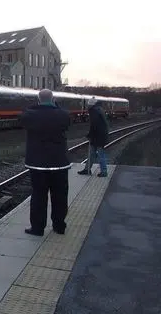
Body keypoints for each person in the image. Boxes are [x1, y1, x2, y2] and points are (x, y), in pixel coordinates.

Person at [19, 89, 72, 236]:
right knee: (60, 196)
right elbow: (66, 119)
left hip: (37, 164)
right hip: (59, 163)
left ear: (38, 100)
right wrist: (56, 106)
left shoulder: (30, 115)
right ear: (53, 99)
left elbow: (23, 116)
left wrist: (36, 106)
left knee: (38, 196)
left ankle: (37, 228)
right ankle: (59, 226)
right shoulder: (63, 115)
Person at [77, 97, 109, 177]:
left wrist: (90, 134)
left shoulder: (94, 111)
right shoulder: (99, 109)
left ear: (91, 105)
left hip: (98, 136)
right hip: (100, 135)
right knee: (91, 153)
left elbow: (94, 124)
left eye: (88, 105)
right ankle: (87, 169)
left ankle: (104, 172)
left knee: (100, 154)